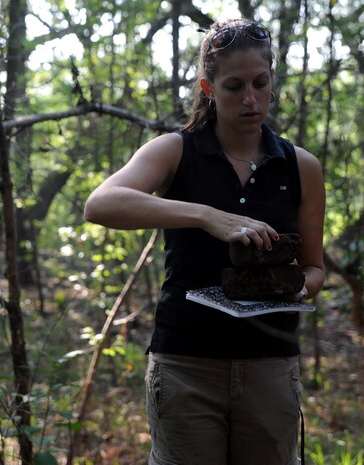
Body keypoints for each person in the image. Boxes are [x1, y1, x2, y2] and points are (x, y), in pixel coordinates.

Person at [84, 17, 325, 465]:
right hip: (186, 364)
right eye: (234, 86)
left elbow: (314, 268)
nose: (250, 99)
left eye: (260, 83)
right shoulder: (177, 151)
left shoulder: (300, 166)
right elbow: (100, 204)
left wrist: (294, 289)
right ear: (209, 88)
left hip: (270, 365)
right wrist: (206, 216)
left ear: (273, 81)